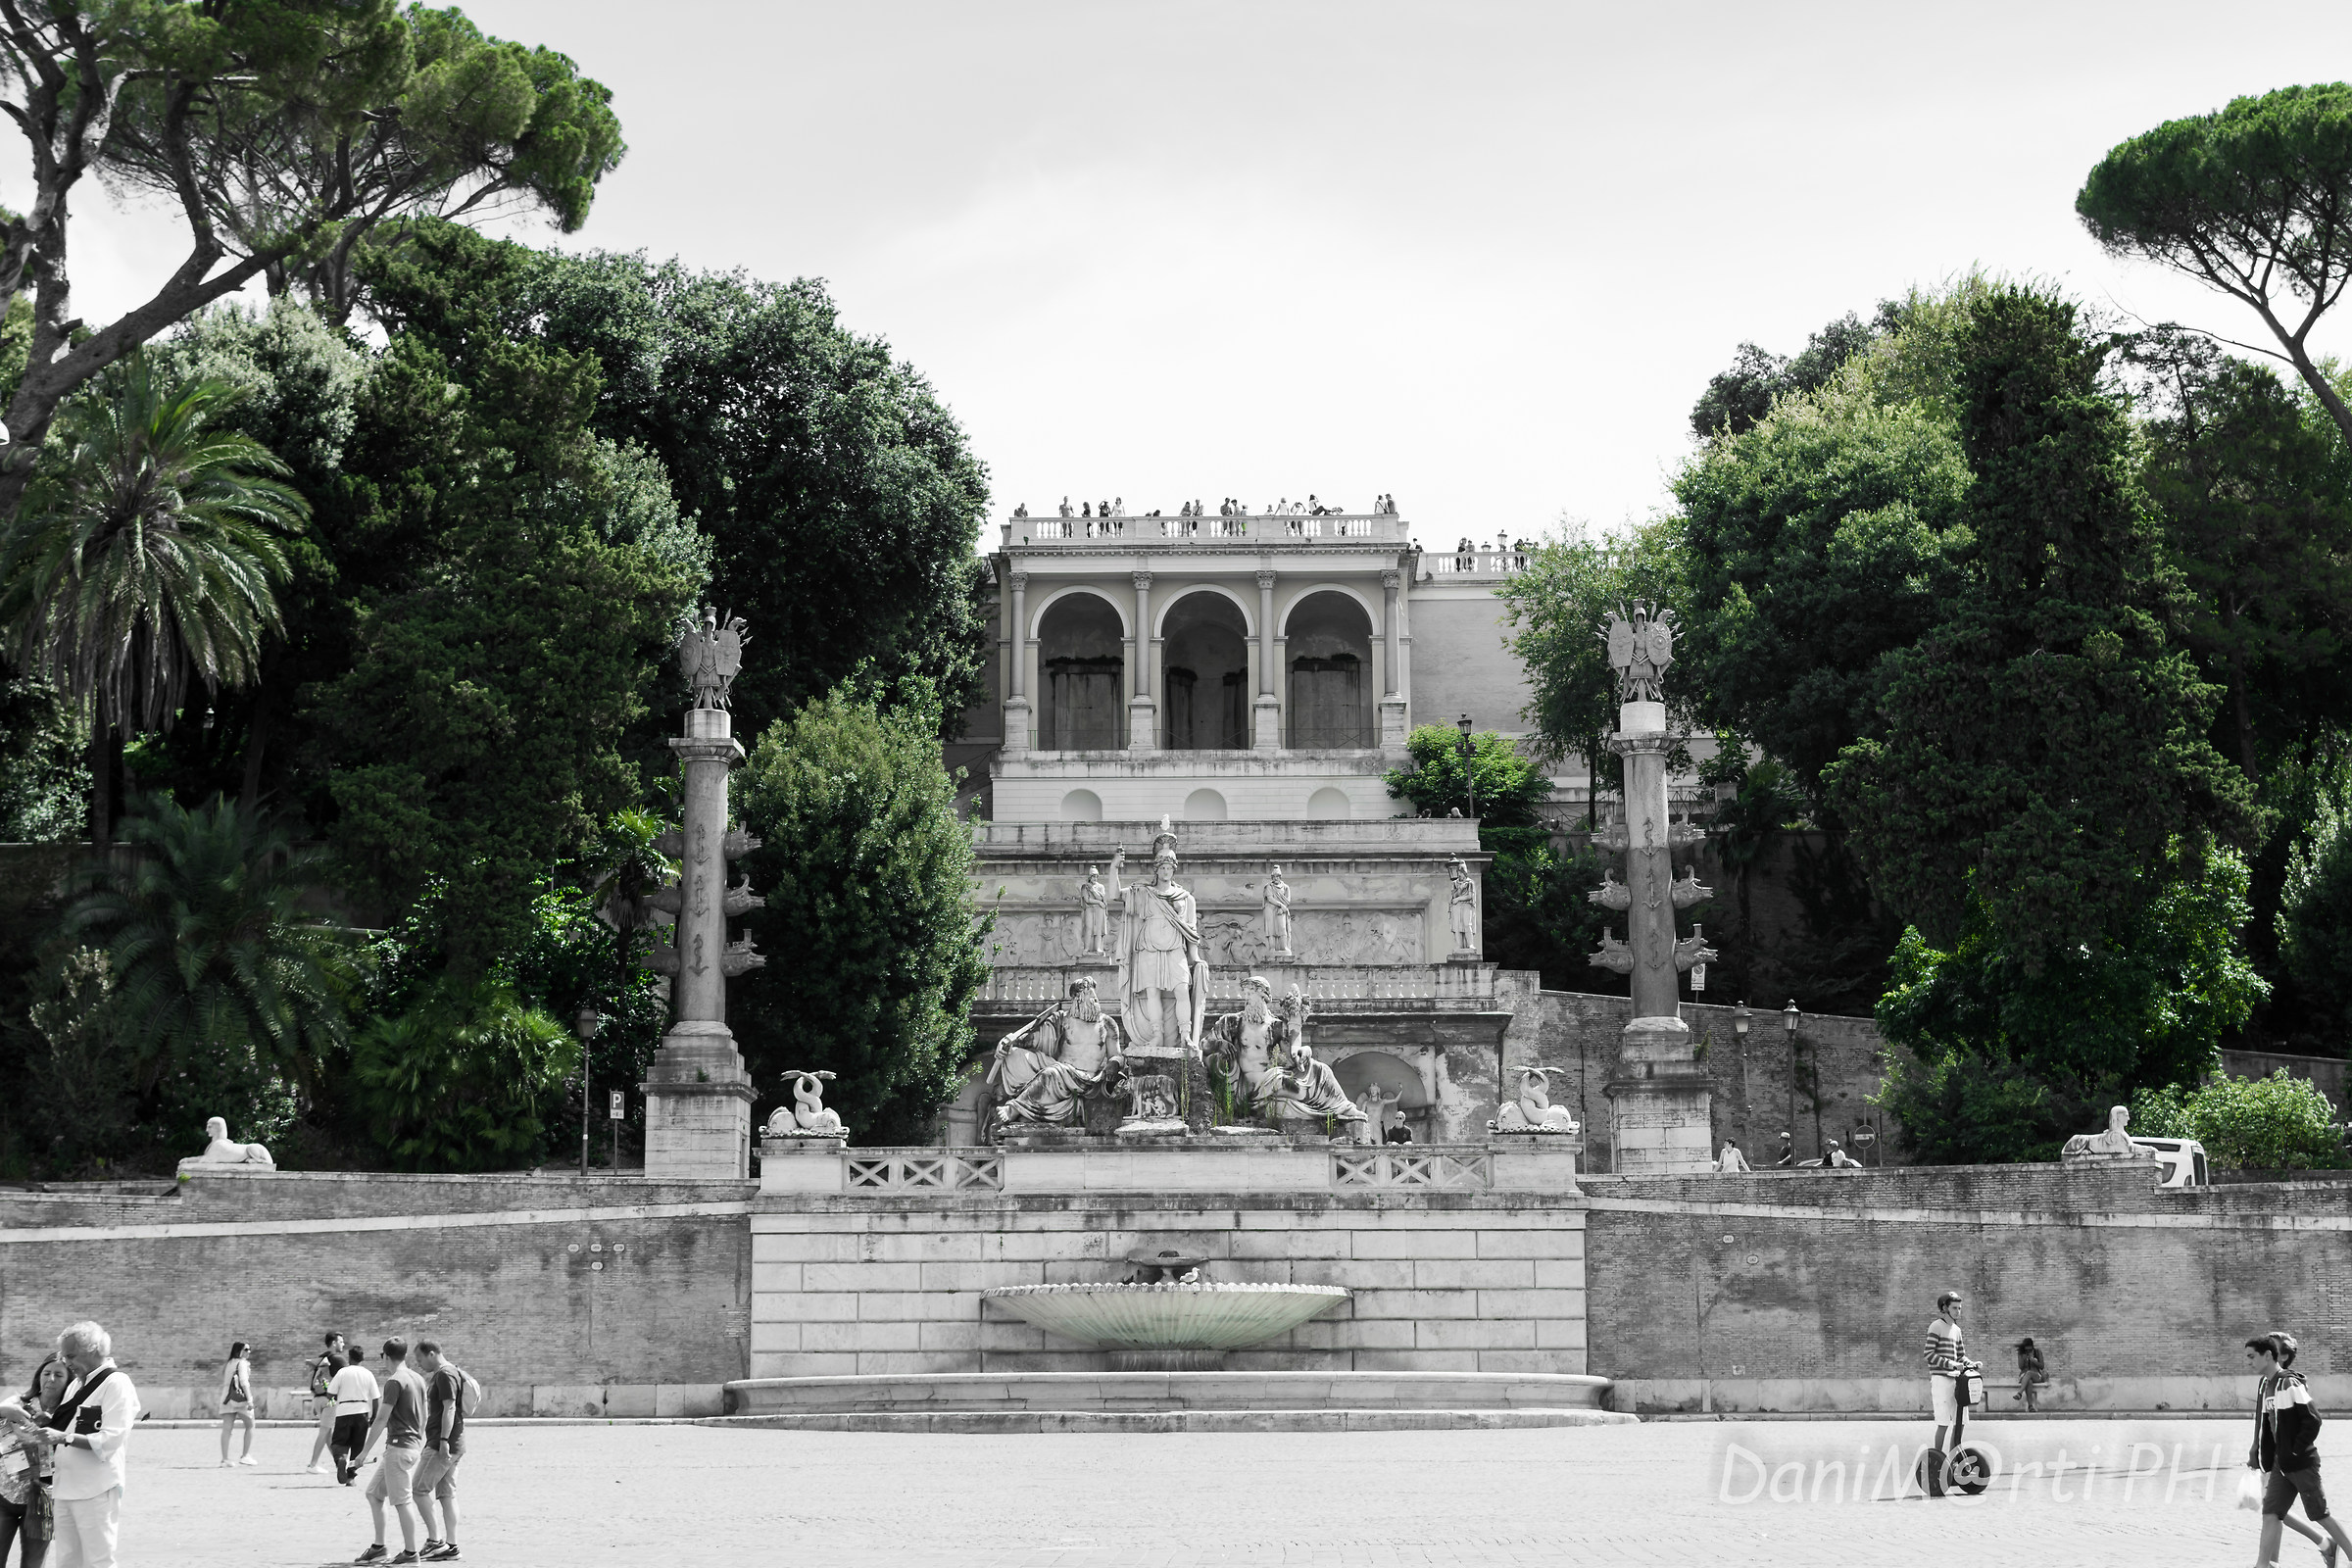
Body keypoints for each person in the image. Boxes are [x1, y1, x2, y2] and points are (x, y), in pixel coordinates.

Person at [33, 1322, 136, 1568]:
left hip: (96, 1488)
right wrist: (52, 1422)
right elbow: (75, 1425)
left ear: (92, 1350)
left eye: (70, 1356)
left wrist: (63, 1437)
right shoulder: (76, 1385)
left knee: (98, 1559)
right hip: (65, 1485)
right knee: (67, 1559)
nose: (66, 1363)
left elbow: (112, 1438)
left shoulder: (116, 1383)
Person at [2246, 1331, 2352, 1567]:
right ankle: (2262, 1565)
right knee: (2271, 1513)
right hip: (2279, 1463)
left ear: (2273, 1356)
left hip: (2300, 1463)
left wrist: (2294, 1452)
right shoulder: (2268, 1384)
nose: (2249, 1362)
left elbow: (2313, 1419)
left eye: (2252, 1356)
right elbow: (2266, 1425)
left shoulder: (2289, 1382)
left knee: (2319, 1514)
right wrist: (2263, 1454)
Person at [356, 1339, 427, 1563]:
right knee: (374, 1493)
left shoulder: (394, 1381)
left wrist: (363, 1453)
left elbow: (381, 1418)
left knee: (402, 1501)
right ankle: (379, 1547)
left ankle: (410, 1552)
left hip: (399, 1446)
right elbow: (425, 1414)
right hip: (410, 1445)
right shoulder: (418, 1379)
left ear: (386, 1356)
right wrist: (418, 1439)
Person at [0, 1355, 69, 1568]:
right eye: (47, 1373)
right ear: (39, 1376)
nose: (51, 1379)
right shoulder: (17, 1403)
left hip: (43, 1499)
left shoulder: (69, 1412)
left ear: (69, 1380)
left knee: (33, 1564)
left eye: (59, 1375)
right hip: (4, 1495)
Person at [1923, 1290, 1983, 1498]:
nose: (1958, 1311)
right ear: (1944, 1308)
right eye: (1954, 1308)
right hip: (1941, 1380)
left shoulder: (1956, 1330)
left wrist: (1970, 1363)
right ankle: (1936, 1463)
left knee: (1960, 1422)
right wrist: (1949, 1363)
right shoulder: (1936, 1326)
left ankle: (1953, 1460)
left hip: (1957, 1380)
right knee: (1943, 1423)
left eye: (1960, 1308)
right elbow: (1928, 1354)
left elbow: (1961, 1354)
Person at [412, 1343, 467, 1562]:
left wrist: (443, 1439)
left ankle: (436, 1541)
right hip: (455, 1442)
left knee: (418, 1489)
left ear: (432, 1354)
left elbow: (450, 1407)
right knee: (446, 1494)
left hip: (443, 1443)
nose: (419, 1364)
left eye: (420, 1359)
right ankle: (452, 1546)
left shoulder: (445, 1374)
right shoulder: (451, 1371)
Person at [328, 1347, 378, 1487]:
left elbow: (330, 1393)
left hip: (344, 1411)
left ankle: (340, 1460)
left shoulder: (342, 1372)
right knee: (358, 1446)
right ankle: (351, 1477)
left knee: (338, 1443)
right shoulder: (368, 1374)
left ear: (349, 1358)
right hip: (362, 1411)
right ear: (362, 1358)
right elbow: (375, 1398)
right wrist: (374, 1416)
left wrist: (336, 1395)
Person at [306, 1332, 349, 1476]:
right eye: (341, 1341)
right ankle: (313, 1464)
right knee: (325, 1432)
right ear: (334, 1343)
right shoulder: (338, 1359)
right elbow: (346, 1379)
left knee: (328, 1435)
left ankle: (339, 1463)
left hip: (318, 1399)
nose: (343, 1344)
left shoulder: (322, 1358)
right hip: (329, 1400)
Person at [216, 1343, 256, 1468]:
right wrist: (249, 1399)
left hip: (227, 1397)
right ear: (240, 1351)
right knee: (250, 1425)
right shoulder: (242, 1363)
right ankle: (245, 1455)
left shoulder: (228, 1363)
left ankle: (225, 1459)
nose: (249, 1352)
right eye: (247, 1349)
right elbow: (244, 1382)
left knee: (227, 1429)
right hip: (240, 1398)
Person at [2013, 1338, 2047, 1412]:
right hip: (2024, 1376)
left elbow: (2042, 1366)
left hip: (2036, 1375)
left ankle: (2020, 1393)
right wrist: (2023, 1358)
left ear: (2032, 1347)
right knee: (2029, 1382)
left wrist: (2034, 1361)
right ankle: (2030, 1406)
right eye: (2026, 1350)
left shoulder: (2038, 1352)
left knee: (2029, 1373)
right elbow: (2020, 1367)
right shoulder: (2021, 1353)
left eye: (2030, 1350)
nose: (2028, 1351)